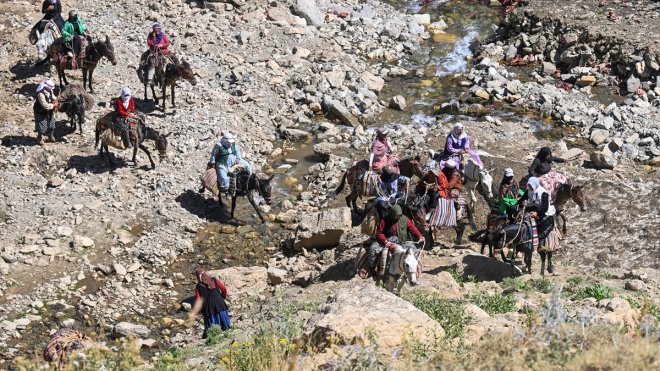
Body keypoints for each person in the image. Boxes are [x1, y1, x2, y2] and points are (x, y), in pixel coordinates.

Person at [359, 205, 423, 278]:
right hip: (387, 239)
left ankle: (413, 269)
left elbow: (412, 228)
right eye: (396, 216)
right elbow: (379, 233)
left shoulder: (404, 219)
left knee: (413, 250)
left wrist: (419, 236)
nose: (398, 218)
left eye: (399, 216)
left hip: (401, 240)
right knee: (373, 249)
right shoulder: (385, 220)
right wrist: (386, 242)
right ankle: (373, 268)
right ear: (392, 214)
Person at [189, 268, 230, 339]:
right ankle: (227, 331)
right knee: (226, 326)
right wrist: (223, 296)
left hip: (209, 309)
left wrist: (201, 310)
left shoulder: (198, 286)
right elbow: (223, 288)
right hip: (220, 304)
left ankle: (213, 336)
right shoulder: (214, 280)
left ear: (198, 276)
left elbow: (198, 300)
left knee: (212, 328)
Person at [522, 177, 556, 253]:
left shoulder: (543, 193)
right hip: (534, 207)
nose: (529, 187)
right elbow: (523, 199)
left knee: (544, 223)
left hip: (544, 211)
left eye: (531, 185)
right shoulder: (529, 191)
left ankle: (540, 243)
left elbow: (545, 207)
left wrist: (536, 213)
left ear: (535, 184)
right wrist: (522, 203)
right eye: (529, 185)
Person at [33, 79, 58, 145]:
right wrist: (53, 105)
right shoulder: (41, 94)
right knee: (42, 126)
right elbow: (45, 105)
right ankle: (39, 137)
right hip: (40, 111)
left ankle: (50, 136)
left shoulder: (50, 90)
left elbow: (53, 97)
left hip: (49, 110)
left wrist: (55, 100)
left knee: (52, 124)